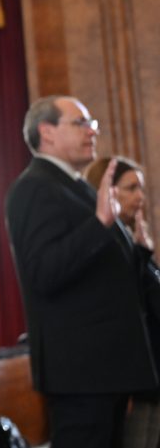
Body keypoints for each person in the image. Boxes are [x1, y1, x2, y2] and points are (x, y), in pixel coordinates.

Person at [6, 96, 160, 448]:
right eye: (81, 123)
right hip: (81, 373)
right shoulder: (32, 187)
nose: (92, 131)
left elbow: (106, 276)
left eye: (93, 124)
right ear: (47, 132)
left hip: (106, 367)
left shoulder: (77, 187)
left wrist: (138, 252)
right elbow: (43, 272)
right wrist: (100, 223)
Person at [85, 156, 160, 448]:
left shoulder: (130, 239)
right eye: (131, 188)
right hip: (140, 381)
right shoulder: (107, 240)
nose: (140, 197)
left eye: (141, 188)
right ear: (108, 191)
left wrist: (144, 254)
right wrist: (143, 257)